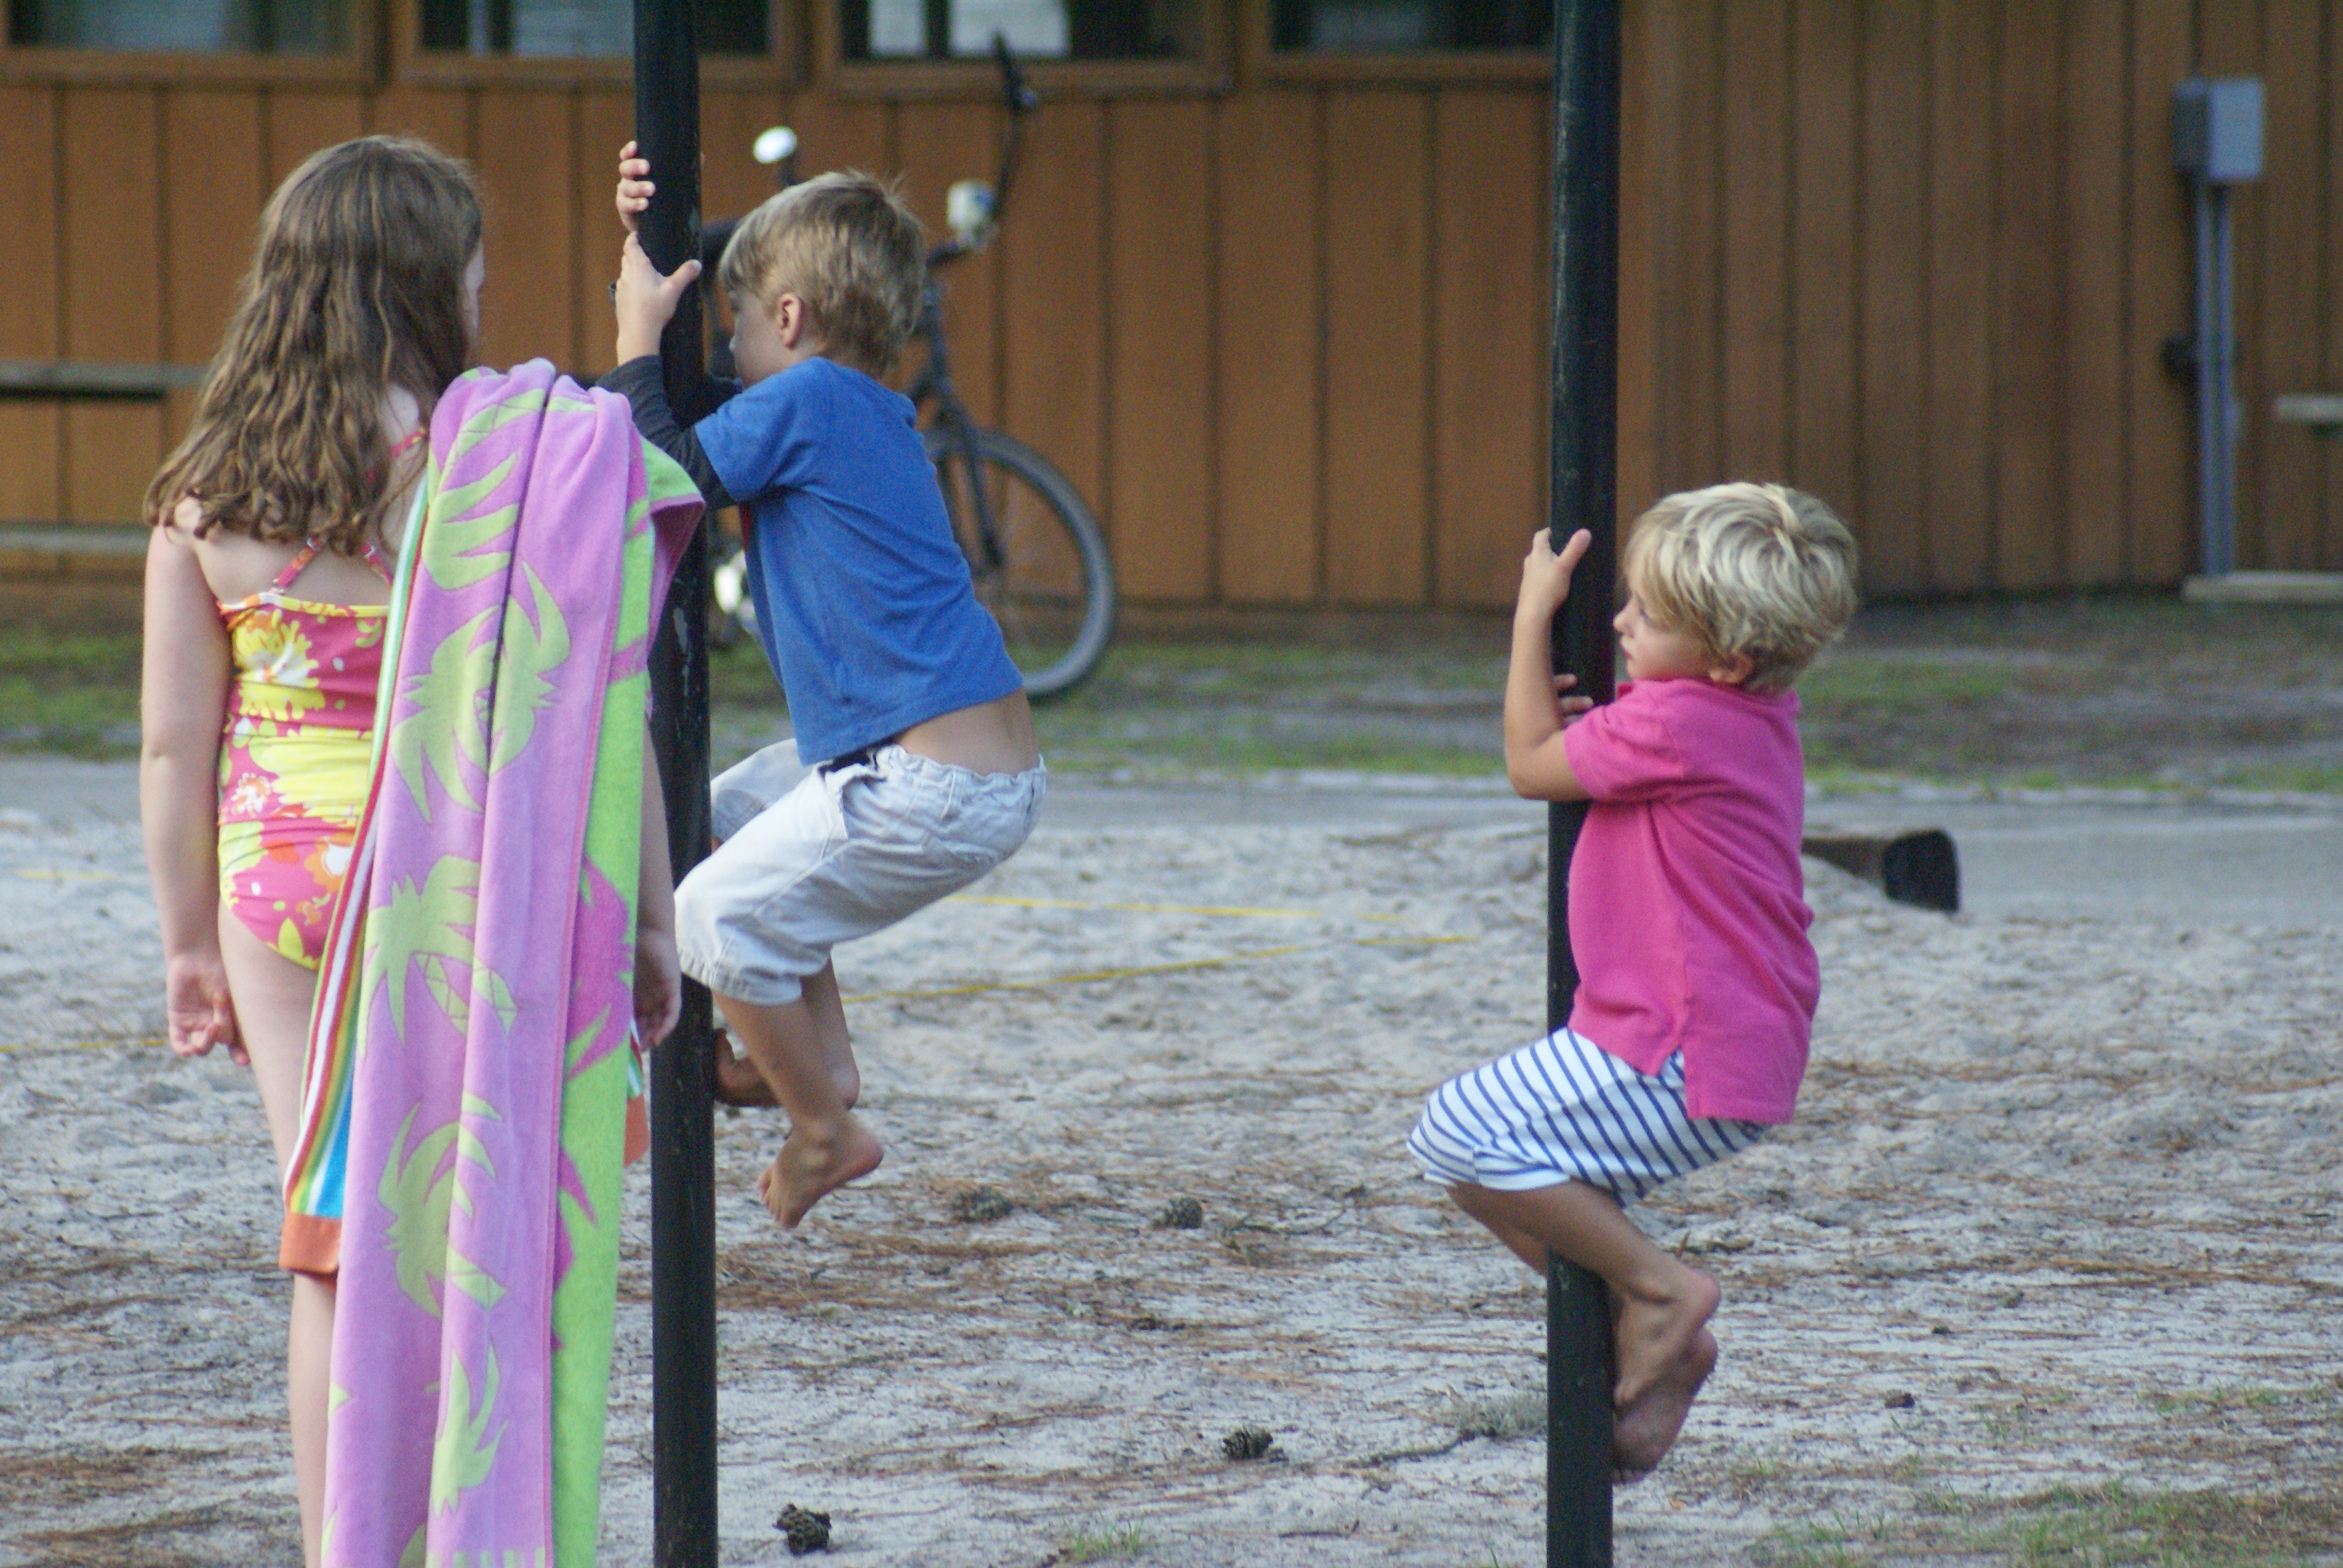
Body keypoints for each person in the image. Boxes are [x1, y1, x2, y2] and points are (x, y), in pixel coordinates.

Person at [139, 135, 681, 1567]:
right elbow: (591, 698)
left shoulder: (206, 488)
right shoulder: (494, 467)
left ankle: (348, 1542)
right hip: (460, 872)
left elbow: (173, 749)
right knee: (478, 1226)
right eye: (475, 271)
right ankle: (473, 1517)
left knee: (335, 1242)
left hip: (279, 887)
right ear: (432, 285)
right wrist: (649, 915)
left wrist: (188, 946)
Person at [605, 150, 1045, 1230]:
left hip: (927, 782)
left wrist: (632, 343)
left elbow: (662, 471)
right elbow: (691, 411)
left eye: (739, 324)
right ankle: (822, 1065)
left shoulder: (804, 400)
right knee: (707, 822)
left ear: (791, 319)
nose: (729, 351)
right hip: (943, 764)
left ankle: (823, 1129)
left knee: (710, 913)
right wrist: (644, 233)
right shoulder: (851, 406)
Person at [1408, 483, 1858, 1481]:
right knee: (1510, 1166)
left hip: (1675, 1046)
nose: (1617, 623)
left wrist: (1532, 618)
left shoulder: (1678, 722)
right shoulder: (1746, 714)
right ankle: (1651, 1334)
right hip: (1725, 1044)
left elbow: (1532, 764)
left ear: (1726, 657)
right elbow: (1576, 751)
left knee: (1457, 1132)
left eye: (1647, 616)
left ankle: (1659, 1294)